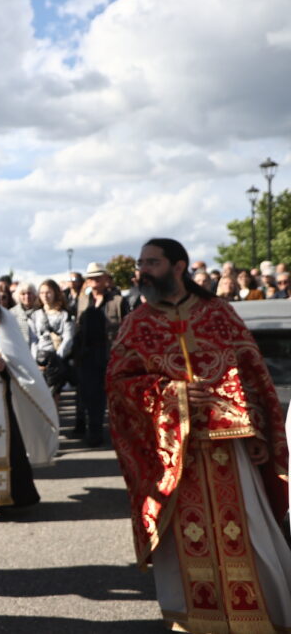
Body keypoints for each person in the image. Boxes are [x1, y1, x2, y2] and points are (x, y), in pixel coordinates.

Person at [107, 238, 291, 633]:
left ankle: (254, 618)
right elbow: (119, 385)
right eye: (141, 263)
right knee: (186, 542)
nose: (143, 270)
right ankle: (198, 621)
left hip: (232, 451)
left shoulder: (218, 313)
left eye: (152, 262)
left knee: (249, 533)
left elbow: (253, 375)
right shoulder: (136, 323)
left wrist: (258, 431)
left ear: (178, 266)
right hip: (175, 456)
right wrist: (168, 394)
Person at [0, 269, 58, 509]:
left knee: (11, 446)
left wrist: (5, 365)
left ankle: (16, 497)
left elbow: (19, 356)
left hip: (4, 393)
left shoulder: (7, 318)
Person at [73, 262, 129, 446]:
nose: (94, 281)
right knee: (90, 395)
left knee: (114, 396)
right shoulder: (82, 301)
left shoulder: (118, 301)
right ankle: (94, 432)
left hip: (110, 353)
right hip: (87, 354)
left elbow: (126, 328)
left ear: (106, 279)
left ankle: (120, 433)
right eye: (90, 278)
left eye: (98, 277)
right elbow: (77, 328)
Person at [31, 279, 75, 398]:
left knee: (53, 395)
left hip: (57, 358)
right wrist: (36, 358)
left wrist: (57, 359)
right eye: (42, 292)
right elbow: (33, 338)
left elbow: (68, 338)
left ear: (55, 292)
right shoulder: (35, 315)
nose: (45, 296)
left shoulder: (64, 314)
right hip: (40, 358)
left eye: (48, 292)